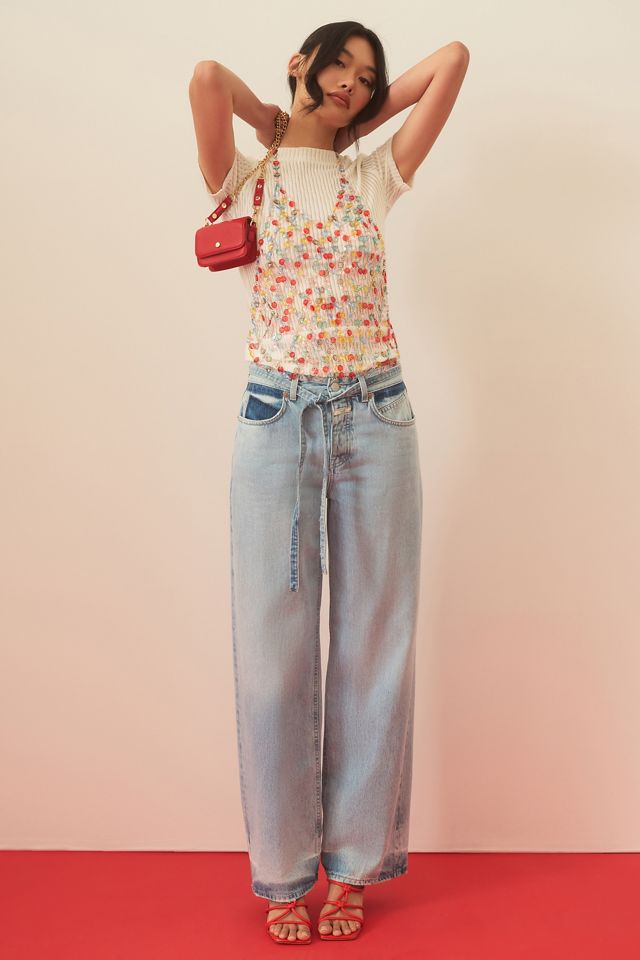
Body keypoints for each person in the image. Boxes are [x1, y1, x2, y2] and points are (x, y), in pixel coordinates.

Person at [189, 21, 470, 944]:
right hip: (275, 419)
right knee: (273, 657)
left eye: (366, 73)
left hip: (377, 417)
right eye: (337, 63)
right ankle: (283, 873)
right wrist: (278, 119)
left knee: (372, 647)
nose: (352, 79)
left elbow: (451, 62)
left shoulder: (372, 177)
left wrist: (353, 123)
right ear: (299, 65)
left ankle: (353, 868)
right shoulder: (244, 178)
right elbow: (206, 78)